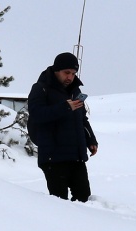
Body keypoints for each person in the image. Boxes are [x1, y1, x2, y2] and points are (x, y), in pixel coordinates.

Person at [26, 52, 98, 201]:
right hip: (54, 158)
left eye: (73, 73)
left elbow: (82, 119)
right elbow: (37, 114)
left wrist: (91, 140)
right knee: (59, 204)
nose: (70, 77)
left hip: (76, 156)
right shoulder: (41, 88)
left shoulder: (75, 91)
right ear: (56, 70)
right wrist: (65, 107)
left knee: (84, 200)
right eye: (67, 73)